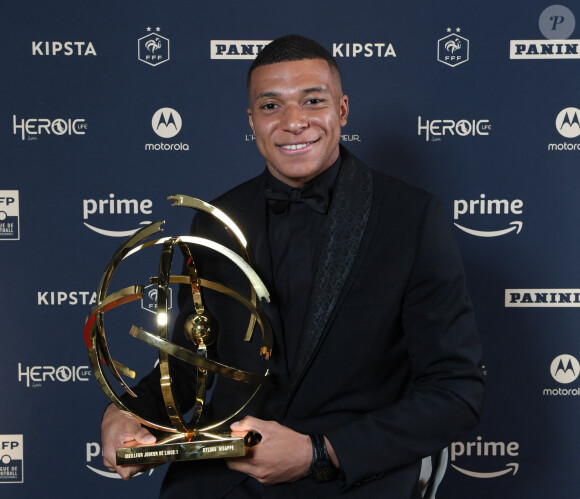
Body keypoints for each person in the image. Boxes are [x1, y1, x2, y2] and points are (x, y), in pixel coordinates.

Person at [101, 34, 485, 498]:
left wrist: (318, 452)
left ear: (341, 110)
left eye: (312, 101)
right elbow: (192, 366)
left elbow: (456, 392)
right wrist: (131, 412)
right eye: (271, 106)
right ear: (252, 120)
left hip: (350, 477)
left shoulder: (411, 217)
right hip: (225, 476)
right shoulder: (214, 220)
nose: (293, 122)